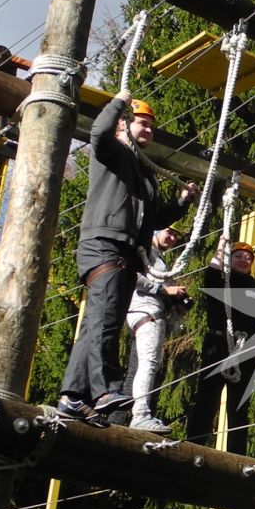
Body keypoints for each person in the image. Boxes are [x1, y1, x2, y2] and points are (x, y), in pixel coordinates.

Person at [56, 94, 195, 422]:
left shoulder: (145, 174)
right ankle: (104, 389)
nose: (148, 130)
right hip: (104, 245)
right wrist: (118, 102)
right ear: (125, 125)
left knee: (96, 325)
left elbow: (156, 218)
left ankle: (72, 396)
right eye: (142, 123)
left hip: (126, 254)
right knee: (104, 320)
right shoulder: (112, 152)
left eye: (151, 126)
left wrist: (184, 201)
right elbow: (98, 133)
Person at [185, 239, 255, 451]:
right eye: (238, 256)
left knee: (239, 404)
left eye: (248, 258)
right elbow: (210, 273)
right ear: (230, 260)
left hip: (244, 348)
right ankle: (195, 443)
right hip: (219, 344)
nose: (243, 260)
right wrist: (221, 247)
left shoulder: (254, 288)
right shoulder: (222, 282)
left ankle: (237, 452)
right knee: (207, 398)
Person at [125, 227, 188, 435]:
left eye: (175, 236)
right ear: (155, 232)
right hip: (145, 312)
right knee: (148, 364)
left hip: (151, 312)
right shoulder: (145, 252)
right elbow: (131, 275)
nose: (172, 239)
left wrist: (175, 301)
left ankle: (141, 413)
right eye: (169, 233)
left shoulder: (157, 258)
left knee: (148, 364)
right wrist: (164, 290)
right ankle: (140, 414)